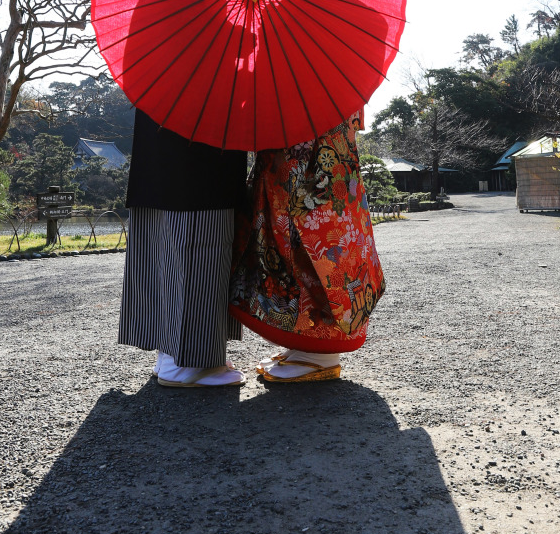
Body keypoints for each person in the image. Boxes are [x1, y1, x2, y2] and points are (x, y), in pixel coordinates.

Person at [228, 110, 385, 382]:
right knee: (285, 231)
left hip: (311, 131)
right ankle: (303, 344)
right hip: (303, 125)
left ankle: (320, 352)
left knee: (310, 231)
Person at [117, 108, 248, 386]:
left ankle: (169, 353)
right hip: (199, 139)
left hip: (162, 120)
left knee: (160, 242)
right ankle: (188, 363)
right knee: (200, 238)